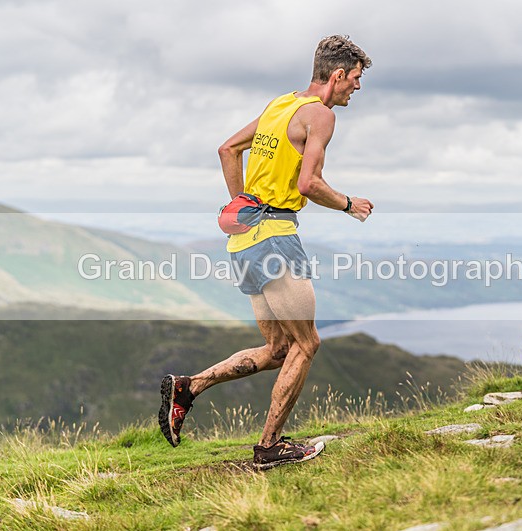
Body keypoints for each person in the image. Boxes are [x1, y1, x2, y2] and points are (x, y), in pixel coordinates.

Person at [160, 35, 374, 469]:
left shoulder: (281, 105)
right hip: (276, 236)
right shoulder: (320, 116)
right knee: (307, 343)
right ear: (337, 75)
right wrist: (350, 204)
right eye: (354, 79)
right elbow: (308, 185)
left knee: (278, 348)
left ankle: (188, 387)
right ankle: (270, 446)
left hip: (244, 240)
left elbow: (227, 148)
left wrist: (242, 206)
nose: (356, 87)